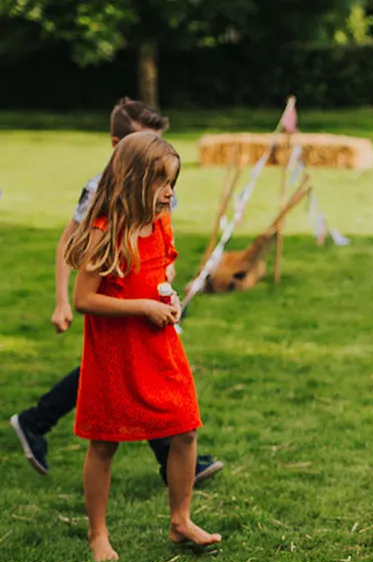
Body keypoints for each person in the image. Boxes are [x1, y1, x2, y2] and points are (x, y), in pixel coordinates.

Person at [9, 97, 224, 486]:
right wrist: (62, 301)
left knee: (135, 380)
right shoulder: (101, 194)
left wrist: (163, 278)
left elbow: (158, 242)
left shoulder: (158, 189)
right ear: (120, 147)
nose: (167, 187)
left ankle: (35, 420)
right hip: (120, 307)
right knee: (109, 378)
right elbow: (71, 247)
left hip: (147, 298)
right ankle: (35, 420)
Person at [64, 131, 222, 562]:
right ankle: (98, 534)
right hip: (115, 352)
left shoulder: (161, 221)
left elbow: (163, 264)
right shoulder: (104, 232)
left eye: (173, 182)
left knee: (185, 429)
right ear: (132, 181)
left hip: (158, 343)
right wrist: (141, 307)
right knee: (103, 442)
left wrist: (165, 291)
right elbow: (84, 300)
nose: (170, 192)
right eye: (161, 182)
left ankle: (180, 520)